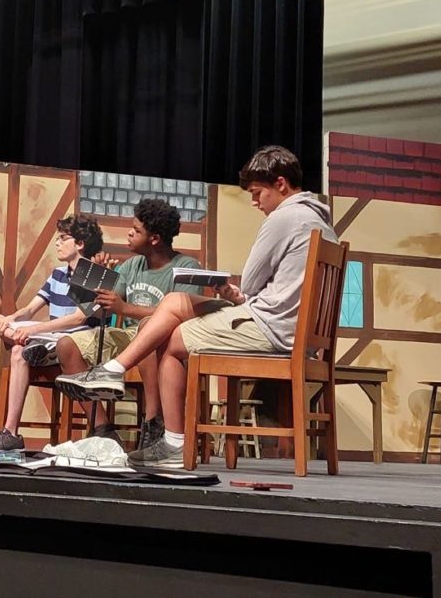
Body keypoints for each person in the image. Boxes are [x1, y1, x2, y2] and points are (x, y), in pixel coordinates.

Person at [62, 146, 338, 470]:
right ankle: (114, 371)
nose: (254, 202)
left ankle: (173, 441)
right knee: (174, 302)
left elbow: (250, 279)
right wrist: (237, 297)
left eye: (257, 193)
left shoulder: (285, 216)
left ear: (280, 184)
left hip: (271, 329)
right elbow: (278, 290)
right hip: (284, 325)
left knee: (173, 338)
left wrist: (243, 294)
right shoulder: (322, 222)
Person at [53, 198, 204, 447]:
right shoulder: (132, 266)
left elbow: (180, 315)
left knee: (148, 330)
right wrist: (97, 277)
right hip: (125, 339)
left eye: (136, 231)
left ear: (154, 238)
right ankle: (102, 427)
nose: (129, 234)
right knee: (67, 345)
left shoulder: (187, 267)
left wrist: (125, 308)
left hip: (166, 347)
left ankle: (154, 423)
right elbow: (98, 303)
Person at [0, 214, 104, 451]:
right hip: (50, 340)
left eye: (63, 238)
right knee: (17, 349)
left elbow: (78, 318)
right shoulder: (57, 273)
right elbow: (30, 309)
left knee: (22, 342)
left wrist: (35, 328)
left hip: (76, 342)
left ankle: (26, 342)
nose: (57, 242)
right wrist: (8, 318)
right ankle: (10, 432)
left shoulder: (93, 273)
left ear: (80, 244)